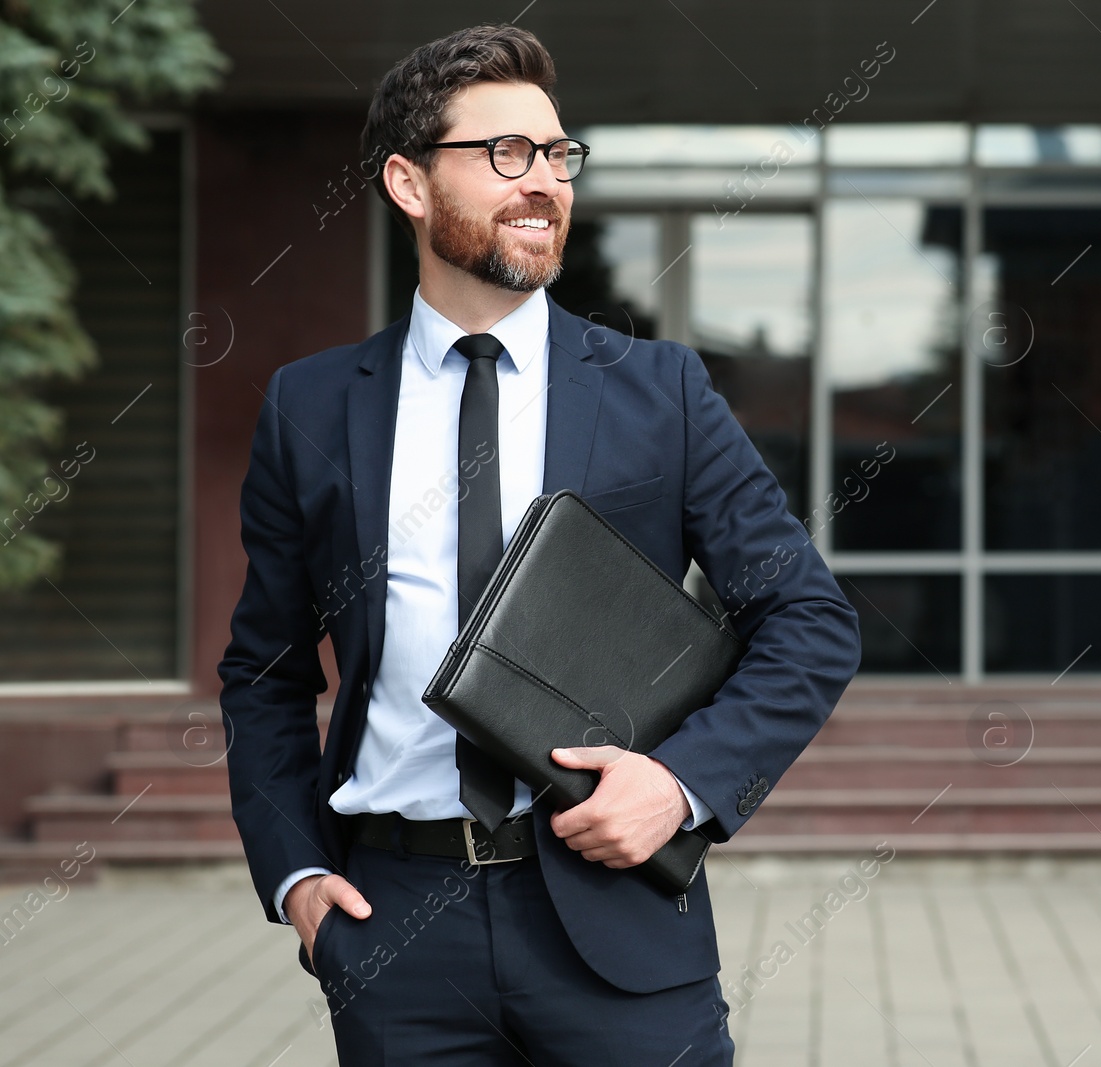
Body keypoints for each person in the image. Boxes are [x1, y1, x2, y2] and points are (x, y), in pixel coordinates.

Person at [217, 22, 860, 1066]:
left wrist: (683, 782)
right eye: (505, 153)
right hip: (393, 926)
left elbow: (808, 620)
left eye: (558, 155)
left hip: (615, 919)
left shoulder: (662, 393)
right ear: (409, 183)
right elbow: (265, 669)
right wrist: (297, 881)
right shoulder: (313, 404)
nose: (544, 181)